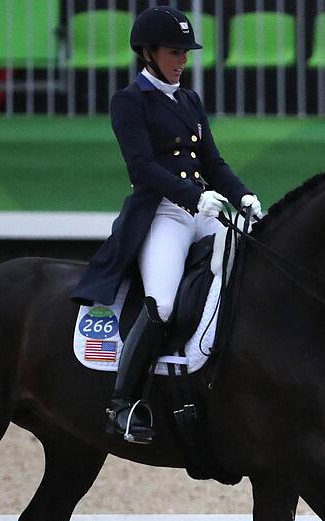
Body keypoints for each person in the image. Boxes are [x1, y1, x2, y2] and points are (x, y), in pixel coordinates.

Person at [71, 6, 262, 445]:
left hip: (203, 211)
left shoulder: (189, 100)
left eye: (185, 52)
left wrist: (243, 196)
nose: (182, 60)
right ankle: (122, 404)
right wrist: (194, 197)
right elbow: (141, 167)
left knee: (251, 273)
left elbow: (212, 163)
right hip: (162, 214)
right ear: (148, 53)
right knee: (162, 304)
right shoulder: (130, 101)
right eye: (174, 52)